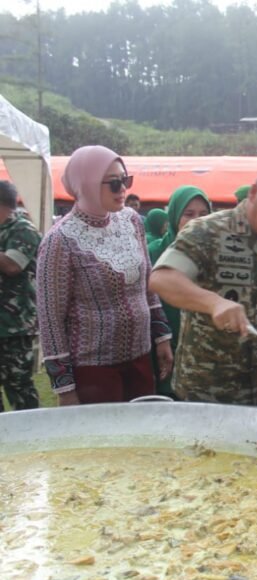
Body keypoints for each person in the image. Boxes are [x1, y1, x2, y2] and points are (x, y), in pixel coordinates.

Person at [149, 160, 257, 405]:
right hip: (206, 390)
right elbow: (162, 278)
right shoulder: (207, 231)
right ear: (254, 193)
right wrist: (213, 303)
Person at [37, 146, 173, 405]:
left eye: (125, 180)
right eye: (113, 183)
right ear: (85, 183)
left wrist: (162, 336)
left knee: (142, 426)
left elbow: (148, 285)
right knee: (103, 431)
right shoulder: (60, 240)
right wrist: (65, 389)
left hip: (140, 358)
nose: (122, 189)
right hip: (93, 371)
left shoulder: (132, 221)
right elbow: (50, 320)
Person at [147, 185, 213, 397]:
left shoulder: (216, 255)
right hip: (162, 344)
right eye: (189, 214)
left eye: (203, 214)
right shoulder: (154, 252)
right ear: (174, 217)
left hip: (204, 353)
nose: (196, 221)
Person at [0, 180, 42, 411]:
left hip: (14, 326)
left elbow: (12, 265)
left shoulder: (23, 229)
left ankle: (31, 429)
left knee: (19, 386)